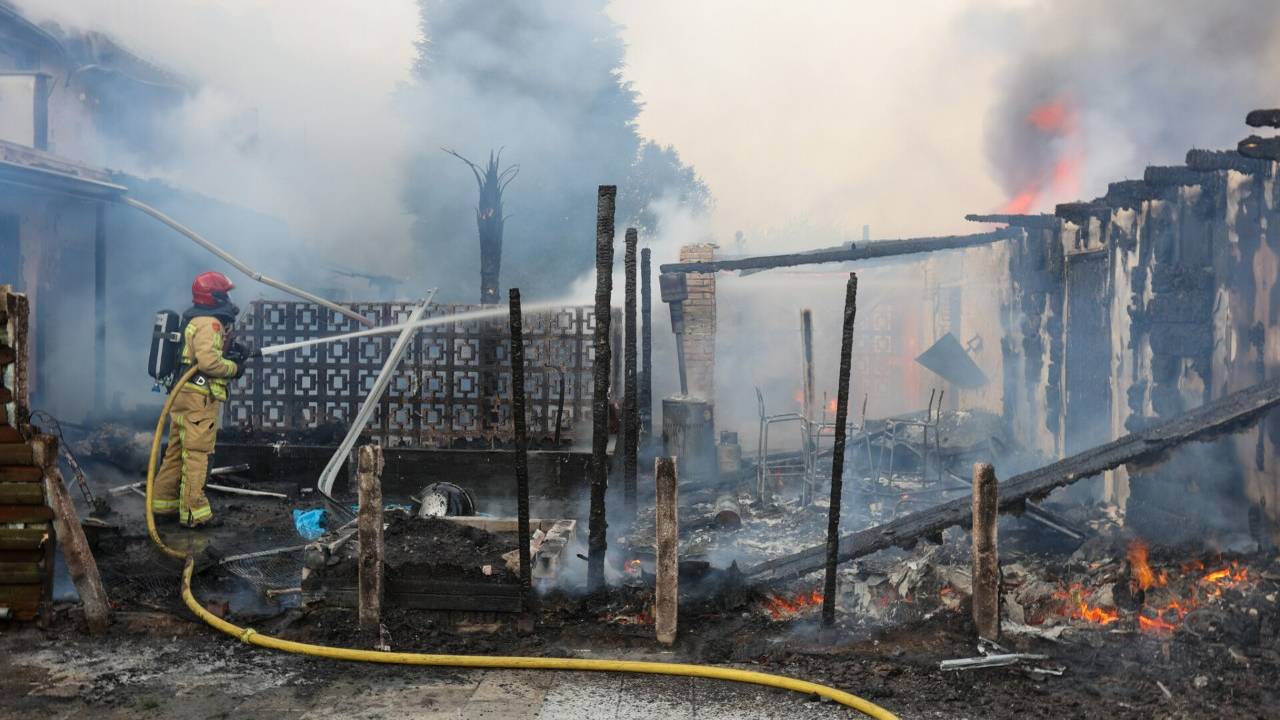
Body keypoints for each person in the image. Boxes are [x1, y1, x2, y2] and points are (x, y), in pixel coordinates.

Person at [153, 271, 254, 527]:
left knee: (175, 453)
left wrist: (231, 351)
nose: (228, 299)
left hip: (182, 395)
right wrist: (234, 368)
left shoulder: (194, 319)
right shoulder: (211, 324)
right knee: (197, 455)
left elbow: (199, 354)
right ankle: (193, 514)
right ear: (214, 296)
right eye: (225, 294)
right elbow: (209, 363)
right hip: (199, 399)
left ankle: (163, 506)